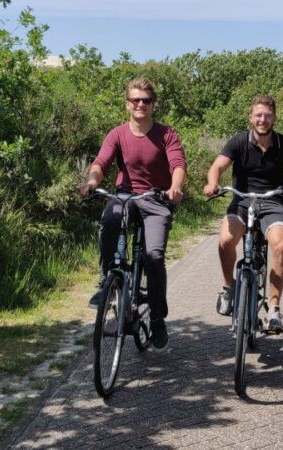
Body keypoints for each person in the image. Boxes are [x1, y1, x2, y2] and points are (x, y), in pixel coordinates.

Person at [80, 77, 187, 351]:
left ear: (153, 104)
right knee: (110, 218)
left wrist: (175, 188)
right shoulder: (117, 134)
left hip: (155, 198)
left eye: (146, 100)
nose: (141, 104)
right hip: (125, 195)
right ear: (128, 104)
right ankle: (108, 277)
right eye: (136, 100)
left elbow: (177, 163)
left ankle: (158, 317)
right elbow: (101, 162)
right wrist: (93, 181)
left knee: (154, 256)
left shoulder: (166, 134)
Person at [203, 95, 283, 333]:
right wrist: (212, 184)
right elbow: (217, 166)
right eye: (258, 115)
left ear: (274, 118)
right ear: (251, 117)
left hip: (272, 201)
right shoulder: (238, 141)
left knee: (280, 246)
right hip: (241, 200)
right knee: (226, 240)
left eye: (267, 115)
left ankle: (273, 309)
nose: (263, 119)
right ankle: (228, 287)